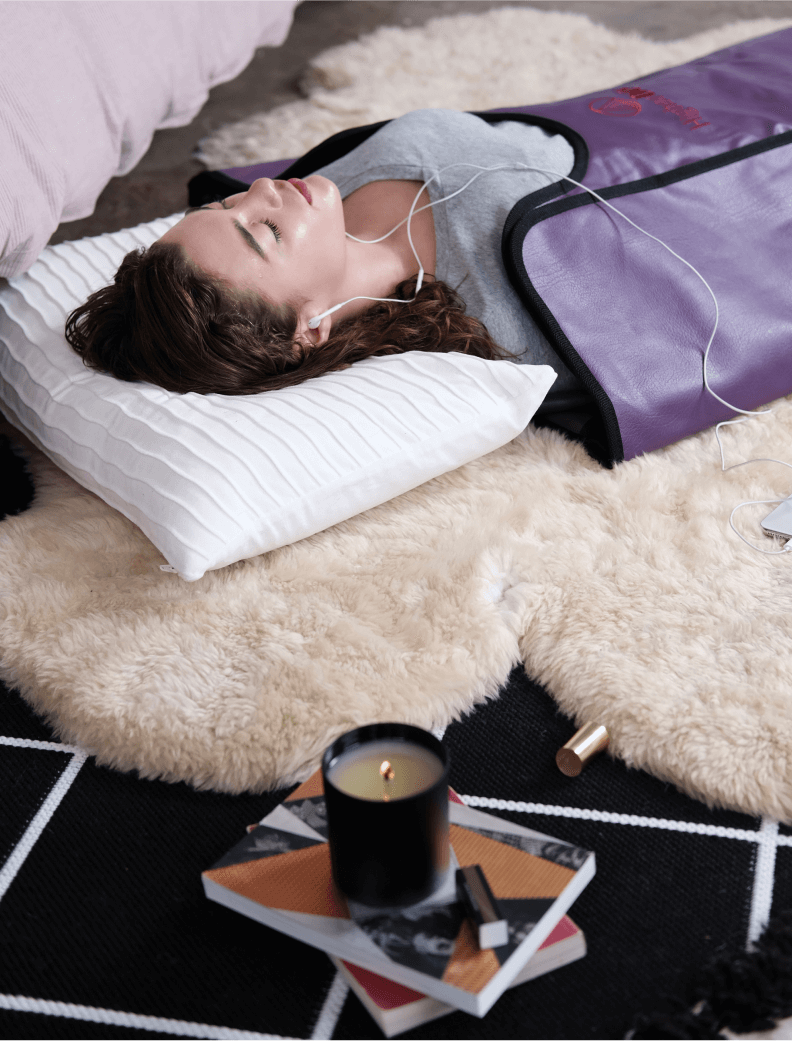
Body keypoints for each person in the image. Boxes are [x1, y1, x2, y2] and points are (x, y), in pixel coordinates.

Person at [65, 108, 587, 413]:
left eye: (226, 204)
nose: (262, 187)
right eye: (265, 231)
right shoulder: (513, 324)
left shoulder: (325, 193)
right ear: (308, 327)